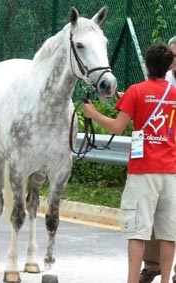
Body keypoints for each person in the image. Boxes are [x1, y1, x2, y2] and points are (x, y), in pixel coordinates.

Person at [83, 42, 176, 283]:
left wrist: (92, 114)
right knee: (168, 234)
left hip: (144, 171)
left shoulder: (136, 91)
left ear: (146, 64)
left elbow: (116, 126)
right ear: (168, 67)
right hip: (170, 171)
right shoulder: (174, 94)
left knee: (138, 232)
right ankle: (166, 280)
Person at [139, 36, 176, 283]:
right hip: (164, 157)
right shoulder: (162, 81)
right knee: (156, 214)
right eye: (172, 57)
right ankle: (152, 266)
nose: (173, 62)